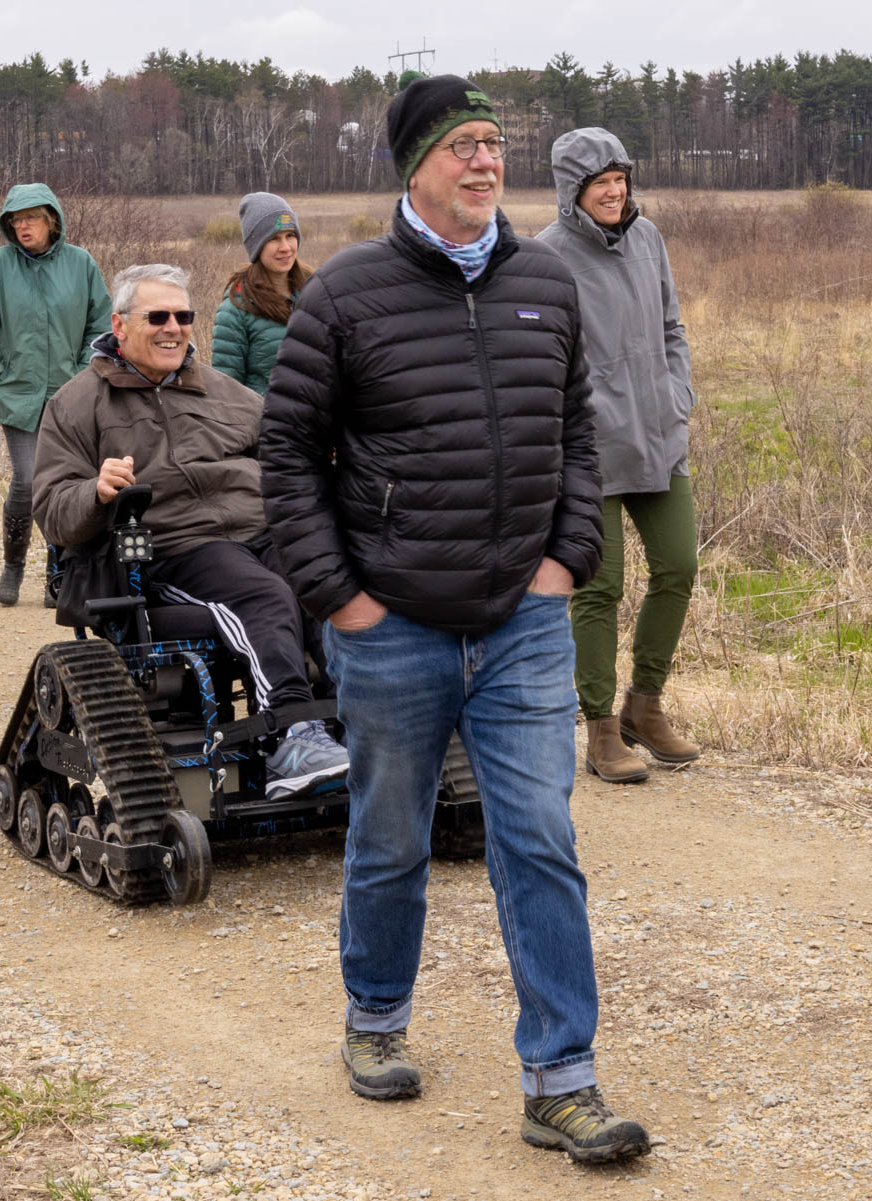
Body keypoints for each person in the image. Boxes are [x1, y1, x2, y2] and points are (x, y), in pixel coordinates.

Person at [261, 75, 651, 1164]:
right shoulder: (344, 295)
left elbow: (578, 431)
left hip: (523, 621)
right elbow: (287, 458)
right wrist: (345, 599)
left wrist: (567, 559)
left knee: (539, 837)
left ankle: (561, 1082)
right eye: (463, 147)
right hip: (395, 628)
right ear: (415, 167)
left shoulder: (546, 283)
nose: (487, 162)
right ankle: (376, 1018)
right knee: (392, 836)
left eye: (494, 143)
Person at [32, 263, 349, 799]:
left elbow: (290, 454)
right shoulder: (76, 404)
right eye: (157, 316)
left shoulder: (227, 393)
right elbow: (52, 506)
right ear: (121, 324)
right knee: (265, 596)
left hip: (262, 532)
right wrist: (95, 490)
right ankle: (291, 735)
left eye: (183, 316)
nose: (173, 328)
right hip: (171, 548)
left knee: (326, 584)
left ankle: (367, 724)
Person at [537, 128, 701, 784]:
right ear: (572, 190)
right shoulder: (545, 258)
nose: (614, 190)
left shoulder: (649, 239)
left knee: (679, 565)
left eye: (620, 178)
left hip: (658, 434)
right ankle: (602, 728)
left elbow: (671, 326)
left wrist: (676, 392)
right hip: (590, 449)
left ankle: (645, 705)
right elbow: (541, 356)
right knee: (600, 586)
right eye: (600, 181)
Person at [0, 183, 111, 606]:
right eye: (15, 219)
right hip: (17, 396)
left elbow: (100, 324)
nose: (22, 226)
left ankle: (59, 570)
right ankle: (13, 564)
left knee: (68, 482)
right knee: (30, 479)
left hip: (71, 396)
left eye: (30, 217)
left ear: (51, 219)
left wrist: (84, 376)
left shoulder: (81, 264)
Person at [211, 193, 308, 395]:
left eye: (290, 236)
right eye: (273, 239)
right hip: (266, 422)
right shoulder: (235, 310)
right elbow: (227, 392)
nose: (285, 248)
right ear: (256, 246)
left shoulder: (316, 291)